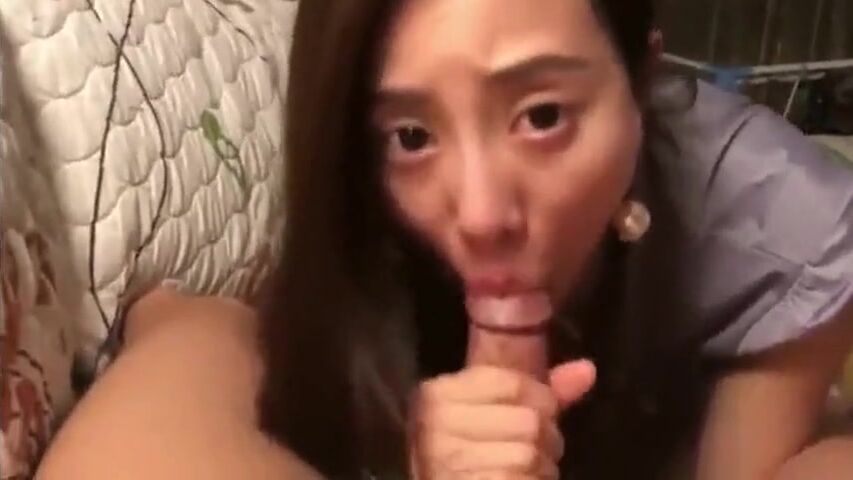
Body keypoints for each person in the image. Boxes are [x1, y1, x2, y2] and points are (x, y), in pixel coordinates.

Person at [36, 0, 853, 479]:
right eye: (412, 136)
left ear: (639, 82)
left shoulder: (785, 234)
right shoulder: (358, 224)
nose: (481, 213)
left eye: (542, 116)